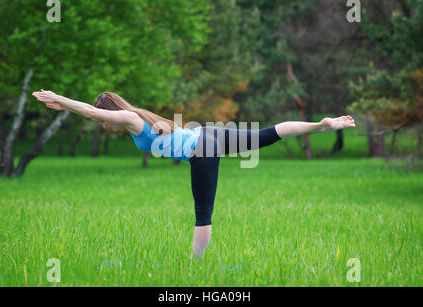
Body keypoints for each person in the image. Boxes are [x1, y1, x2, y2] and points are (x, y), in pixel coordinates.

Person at [32, 90, 356, 260]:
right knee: (267, 134)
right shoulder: (139, 114)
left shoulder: (130, 118)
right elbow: (93, 114)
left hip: (202, 151)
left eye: (105, 116)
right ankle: (320, 124)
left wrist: (60, 99)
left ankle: (194, 268)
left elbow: (89, 111)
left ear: (111, 110)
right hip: (208, 134)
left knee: (203, 215)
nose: (103, 122)